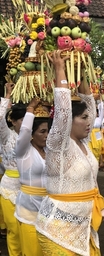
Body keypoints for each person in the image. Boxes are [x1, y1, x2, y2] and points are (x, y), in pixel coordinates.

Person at [35, 50, 104, 255]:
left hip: (83, 228)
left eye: (88, 118)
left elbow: (90, 106)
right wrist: (60, 69)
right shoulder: (59, 144)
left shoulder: (83, 142)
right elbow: (64, 111)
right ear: (68, 122)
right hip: (56, 231)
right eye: (83, 118)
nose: (88, 121)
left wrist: (81, 72)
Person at [15, 97, 50, 256]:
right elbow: (24, 132)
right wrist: (30, 110)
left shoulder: (49, 151)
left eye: (48, 131)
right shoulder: (24, 151)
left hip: (48, 211)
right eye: (42, 131)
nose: (47, 135)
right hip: (28, 211)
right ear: (32, 134)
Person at [0, 83, 25, 256]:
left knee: (27, 230)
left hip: (30, 190)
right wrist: (7, 95)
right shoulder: (7, 136)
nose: (26, 123)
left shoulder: (36, 138)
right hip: (9, 187)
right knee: (14, 230)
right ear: (13, 121)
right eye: (22, 119)